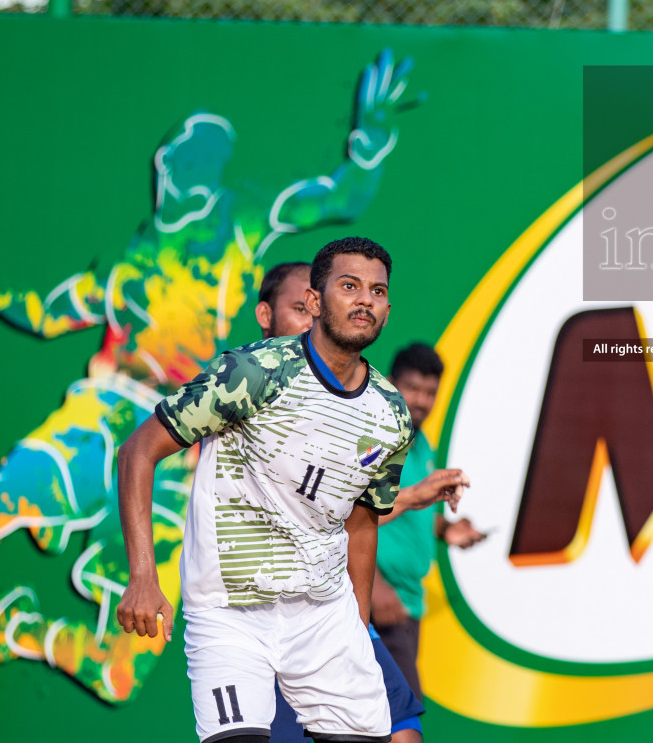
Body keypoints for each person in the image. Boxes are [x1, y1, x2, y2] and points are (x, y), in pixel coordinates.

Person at [0, 52, 415, 702]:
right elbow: (40, 312)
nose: (185, 167)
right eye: (181, 154)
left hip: (182, 460)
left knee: (120, 671)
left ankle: (20, 631)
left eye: (205, 158)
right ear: (163, 166)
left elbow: (339, 195)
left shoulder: (238, 223)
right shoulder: (129, 265)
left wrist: (369, 138)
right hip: (106, 414)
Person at [113, 237, 417, 743]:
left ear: (386, 310)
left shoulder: (391, 414)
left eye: (377, 291)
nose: (365, 299)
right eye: (349, 286)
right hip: (231, 613)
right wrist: (143, 575)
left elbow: (362, 523)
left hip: (323, 616)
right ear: (316, 302)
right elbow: (137, 452)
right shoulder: (253, 373)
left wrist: (358, 628)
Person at [250, 264, 468, 743]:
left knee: (402, 726)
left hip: (345, 609)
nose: (312, 318)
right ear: (265, 316)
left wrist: (427, 513)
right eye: (299, 307)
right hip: (276, 615)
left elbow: (351, 511)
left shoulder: (375, 417)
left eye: (317, 307)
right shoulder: (246, 397)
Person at [372, 343, 486, 698]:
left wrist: (448, 528)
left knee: (381, 726)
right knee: (403, 725)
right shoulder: (374, 439)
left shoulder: (421, 444)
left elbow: (409, 509)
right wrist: (373, 586)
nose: (421, 400)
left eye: (430, 392)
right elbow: (341, 516)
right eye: (413, 388)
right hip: (376, 603)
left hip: (406, 605)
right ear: (390, 385)